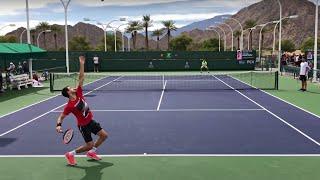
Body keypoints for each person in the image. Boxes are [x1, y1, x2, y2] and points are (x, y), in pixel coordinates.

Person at [56, 56, 108, 166]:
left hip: (91, 121)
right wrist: (58, 125)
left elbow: (81, 77)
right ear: (68, 93)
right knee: (89, 144)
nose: (73, 88)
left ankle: (91, 153)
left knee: (104, 136)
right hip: (83, 126)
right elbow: (61, 116)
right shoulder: (69, 106)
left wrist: (82, 64)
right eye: (71, 88)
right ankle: (70, 154)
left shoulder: (79, 92)